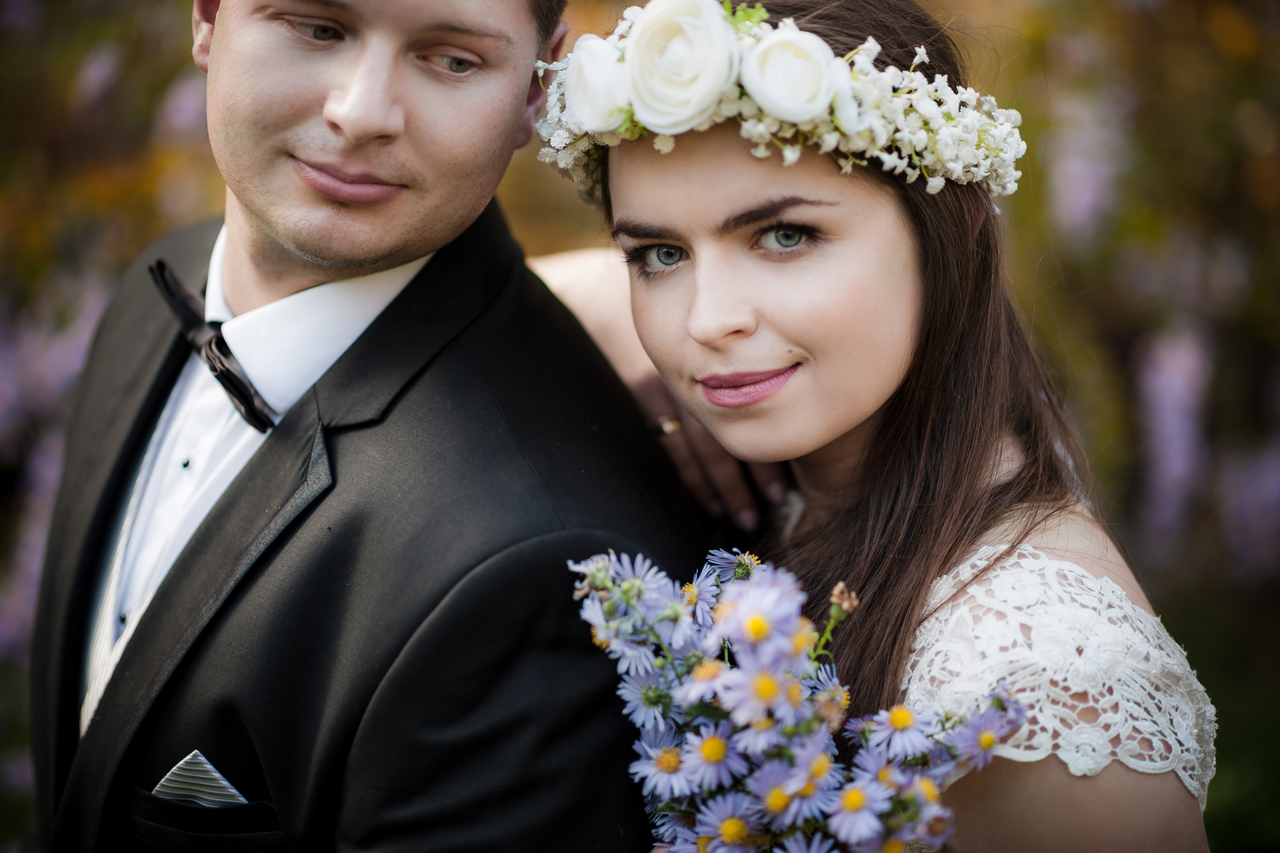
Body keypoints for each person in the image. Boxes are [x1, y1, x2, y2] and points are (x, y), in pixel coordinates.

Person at [535, 0, 1217, 848]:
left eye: (785, 234)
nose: (705, 321)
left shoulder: (1044, 683)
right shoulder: (839, 486)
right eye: (659, 255)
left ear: (954, 232)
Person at [29, 0, 705, 849]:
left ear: (537, 89)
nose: (360, 112)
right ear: (207, 17)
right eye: (318, 27)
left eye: (452, 59)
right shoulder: (147, 295)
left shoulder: (537, 574)